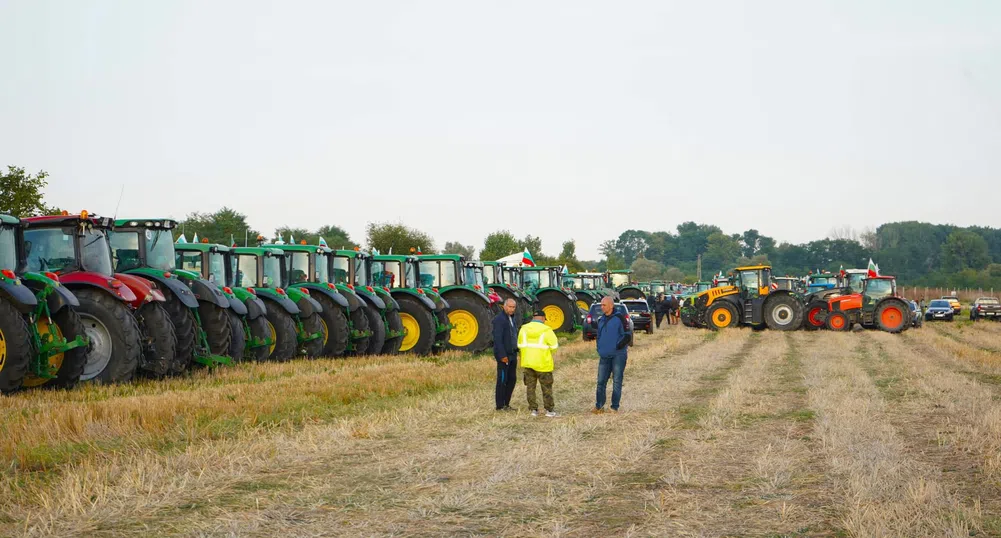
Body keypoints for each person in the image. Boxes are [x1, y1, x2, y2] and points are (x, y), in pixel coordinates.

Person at [518, 309, 560, 417]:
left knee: (530, 388)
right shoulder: (546, 330)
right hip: (543, 364)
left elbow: (520, 345)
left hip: (528, 362)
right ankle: (549, 410)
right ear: (542, 318)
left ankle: (533, 410)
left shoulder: (524, 329)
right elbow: (554, 346)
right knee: (546, 388)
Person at [594, 296, 630, 413]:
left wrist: (617, 346)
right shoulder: (601, 319)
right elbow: (598, 335)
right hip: (604, 355)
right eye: (601, 305)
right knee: (600, 382)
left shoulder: (620, 318)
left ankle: (614, 407)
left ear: (611, 305)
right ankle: (599, 406)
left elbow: (627, 335)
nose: (602, 307)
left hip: (618, 355)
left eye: (604, 305)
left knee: (617, 381)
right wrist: (599, 347)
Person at [492, 299, 519, 411]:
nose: (512, 309)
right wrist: (502, 355)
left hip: (513, 354)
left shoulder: (512, 319)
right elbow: (498, 340)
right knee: (502, 380)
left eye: (513, 307)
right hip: (504, 356)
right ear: (504, 306)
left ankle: (507, 403)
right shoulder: (499, 320)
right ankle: (500, 405)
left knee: (512, 379)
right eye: (510, 307)